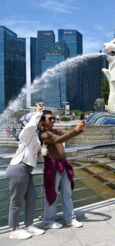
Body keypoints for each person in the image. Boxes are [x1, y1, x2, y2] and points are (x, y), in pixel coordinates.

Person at [5, 103, 45, 240]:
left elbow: (37, 150)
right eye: (40, 120)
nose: (41, 122)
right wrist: (38, 112)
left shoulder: (33, 135)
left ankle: (29, 225)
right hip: (18, 168)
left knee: (32, 197)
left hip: (27, 170)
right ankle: (14, 230)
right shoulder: (26, 132)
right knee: (16, 201)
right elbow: (31, 125)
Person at [40, 110, 86, 229]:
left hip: (63, 164)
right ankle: (48, 220)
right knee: (51, 193)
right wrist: (75, 130)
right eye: (50, 119)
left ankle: (70, 219)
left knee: (67, 193)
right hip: (52, 166)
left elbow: (66, 134)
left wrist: (79, 129)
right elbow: (59, 139)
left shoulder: (56, 131)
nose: (53, 120)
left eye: (53, 118)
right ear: (43, 122)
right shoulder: (44, 134)